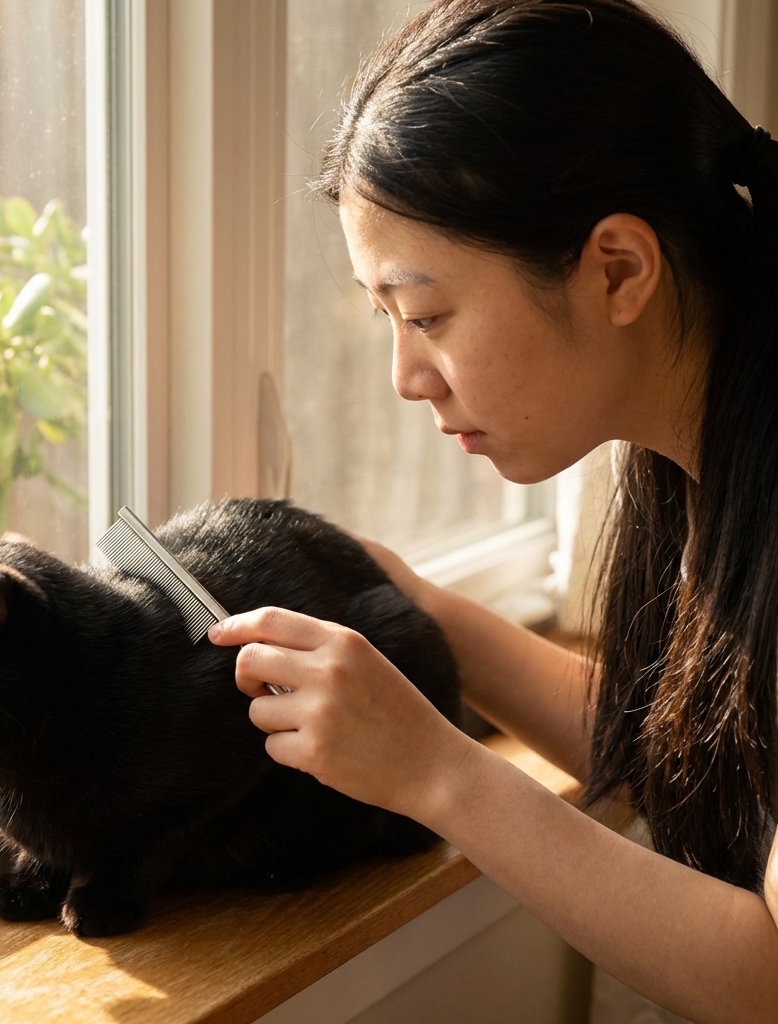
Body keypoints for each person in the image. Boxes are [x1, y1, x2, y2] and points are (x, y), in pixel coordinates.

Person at [207, 1, 778, 1021]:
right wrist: (410, 605)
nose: (403, 376)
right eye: (384, 318)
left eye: (427, 316)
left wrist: (437, 774)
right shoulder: (700, 452)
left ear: (617, 270)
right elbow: (707, 761)